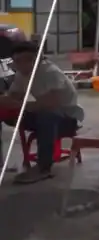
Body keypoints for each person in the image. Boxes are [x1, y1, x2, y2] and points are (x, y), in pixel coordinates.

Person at [0, 41, 84, 184]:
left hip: (65, 118)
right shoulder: (21, 75)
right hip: (41, 115)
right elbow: (14, 96)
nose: (20, 65)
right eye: (17, 61)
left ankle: (44, 167)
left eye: (24, 60)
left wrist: (19, 105)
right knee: (7, 113)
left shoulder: (50, 72)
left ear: (36, 59)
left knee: (47, 116)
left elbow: (51, 103)